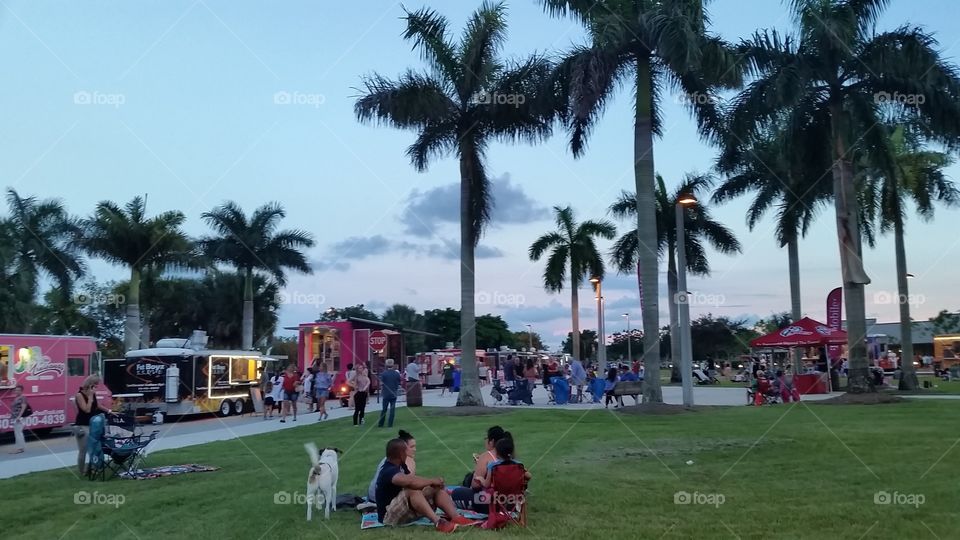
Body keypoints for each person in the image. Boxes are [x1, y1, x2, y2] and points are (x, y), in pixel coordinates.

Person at [374, 437, 470, 531]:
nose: (409, 453)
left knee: (435, 488)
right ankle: (438, 522)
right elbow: (410, 482)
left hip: (401, 509)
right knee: (412, 490)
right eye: (406, 450)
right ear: (401, 453)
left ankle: (456, 517)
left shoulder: (401, 465)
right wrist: (431, 481)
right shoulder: (388, 470)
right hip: (388, 517)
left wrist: (434, 484)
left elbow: (414, 481)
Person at [450, 425, 507, 510]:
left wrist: (478, 466)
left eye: (486, 438)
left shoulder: (486, 457)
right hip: (508, 501)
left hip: (488, 503)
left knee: (456, 492)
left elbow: (475, 485)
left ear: (491, 441)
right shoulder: (509, 456)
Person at [74, 374, 113, 474]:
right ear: (90, 384)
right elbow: (86, 409)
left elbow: (97, 405)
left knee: (94, 448)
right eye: (95, 384)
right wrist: (90, 396)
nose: (96, 386)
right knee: (83, 449)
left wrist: (109, 411)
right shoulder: (79, 395)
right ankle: (82, 471)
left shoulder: (93, 394)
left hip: (93, 424)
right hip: (82, 424)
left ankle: (91, 468)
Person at [368, 429, 417, 503]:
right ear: (402, 447)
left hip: (372, 495)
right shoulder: (407, 460)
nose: (415, 449)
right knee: (416, 492)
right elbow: (410, 483)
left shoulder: (391, 456)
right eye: (412, 447)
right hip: (381, 500)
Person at [379, 359, 402, 428]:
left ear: (386, 365)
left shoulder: (384, 374)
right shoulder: (396, 373)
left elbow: (381, 383)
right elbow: (399, 382)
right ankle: (390, 424)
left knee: (384, 409)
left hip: (386, 393)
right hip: (393, 393)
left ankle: (381, 423)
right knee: (392, 409)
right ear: (393, 364)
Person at [8, 384, 26, 454]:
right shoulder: (17, 397)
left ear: (22, 391)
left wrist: (19, 416)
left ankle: (20, 448)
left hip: (19, 417)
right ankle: (21, 447)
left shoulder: (23, 398)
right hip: (15, 417)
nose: (17, 391)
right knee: (18, 432)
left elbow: (23, 407)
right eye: (16, 390)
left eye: (18, 390)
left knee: (18, 433)